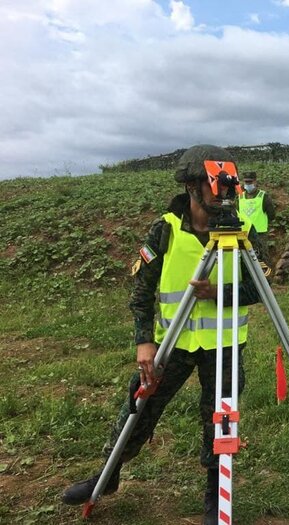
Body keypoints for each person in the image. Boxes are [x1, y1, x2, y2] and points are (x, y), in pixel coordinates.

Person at [61, 145, 263, 525]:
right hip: (173, 343)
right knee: (139, 407)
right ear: (192, 186)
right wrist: (143, 341)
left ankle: (214, 496)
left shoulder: (242, 230)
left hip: (224, 345)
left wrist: (219, 294)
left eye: (225, 181)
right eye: (213, 182)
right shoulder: (166, 228)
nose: (223, 189)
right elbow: (141, 292)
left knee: (218, 421)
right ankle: (107, 475)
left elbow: (261, 288)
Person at [238, 171, 275, 262]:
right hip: (244, 234)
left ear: (255, 181)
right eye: (246, 182)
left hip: (260, 235)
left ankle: (265, 276)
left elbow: (272, 215)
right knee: (244, 259)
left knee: (262, 258)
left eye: (250, 182)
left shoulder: (263, 196)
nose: (248, 184)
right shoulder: (240, 197)